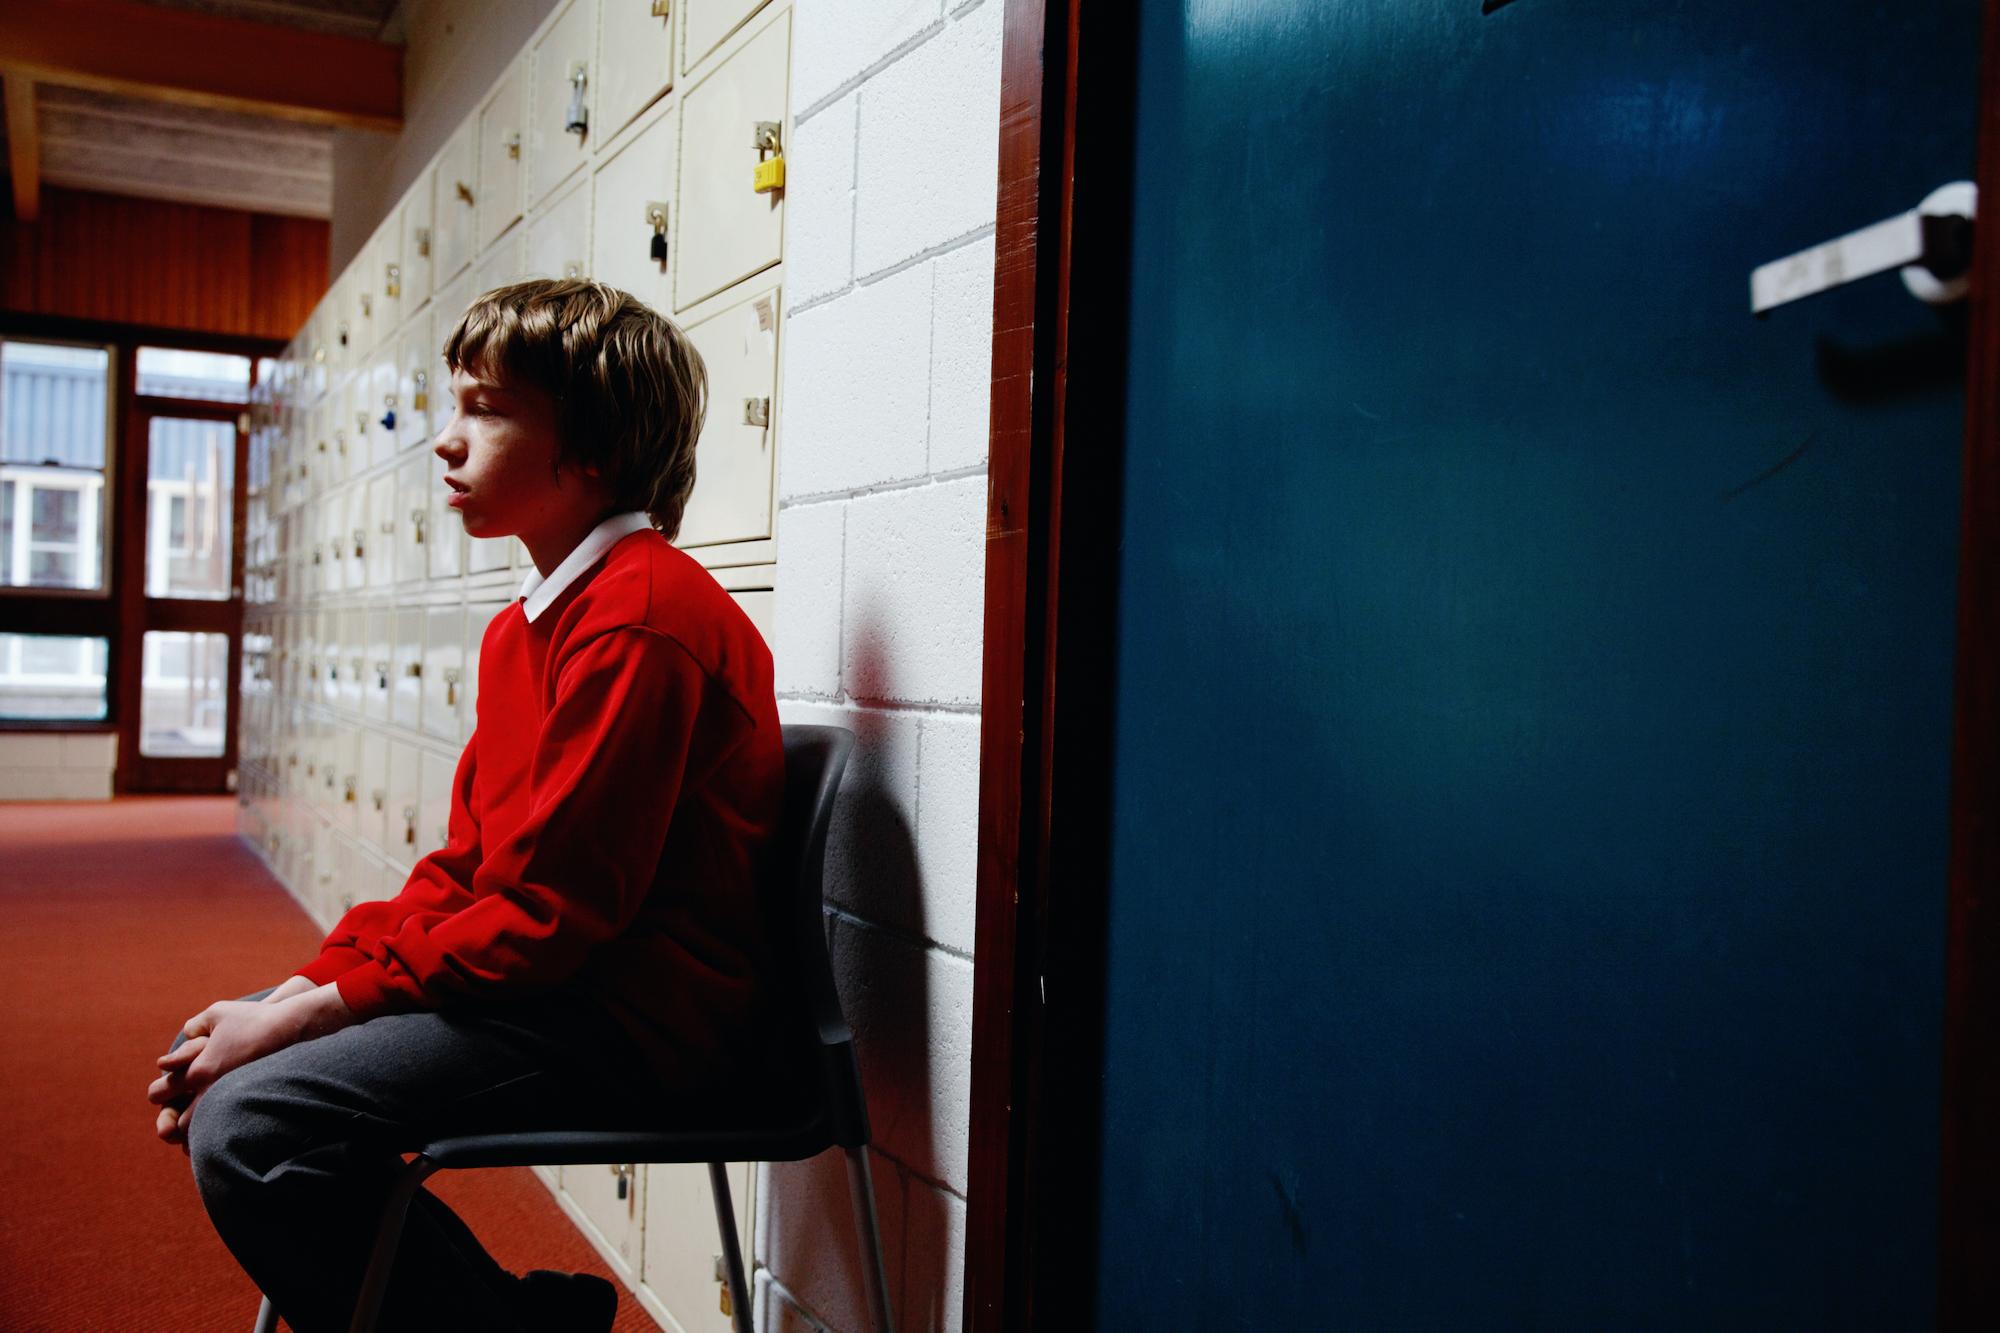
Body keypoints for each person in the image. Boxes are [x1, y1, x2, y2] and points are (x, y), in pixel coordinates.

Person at [147, 278, 790, 1332]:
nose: (444, 441)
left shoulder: (638, 616)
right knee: (247, 1095)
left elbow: (545, 916)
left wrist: (304, 1017)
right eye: (452, 405)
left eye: (486, 410)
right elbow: (466, 871)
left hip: (632, 1022)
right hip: (561, 992)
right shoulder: (526, 626)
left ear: (595, 447)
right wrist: (298, 988)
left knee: (256, 1128)